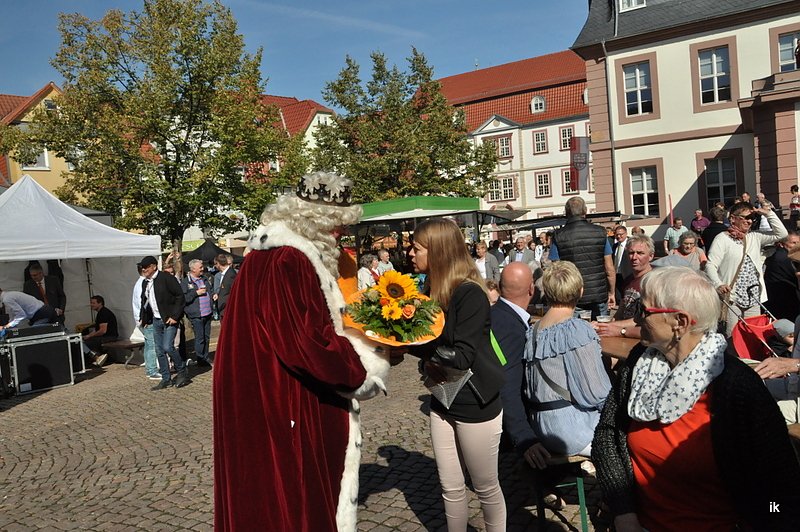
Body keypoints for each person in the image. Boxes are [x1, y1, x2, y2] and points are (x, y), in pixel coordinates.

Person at [213, 172, 391, 531]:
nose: (340, 234)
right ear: (315, 221)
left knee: (264, 492)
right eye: (337, 225)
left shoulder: (266, 256)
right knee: (292, 495)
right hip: (285, 398)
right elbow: (307, 344)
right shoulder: (289, 260)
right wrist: (363, 371)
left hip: (262, 391)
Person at [592, 267, 800, 530]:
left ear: (680, 322)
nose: (636, 319)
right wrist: (624, 511)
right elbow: (608, 433)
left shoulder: (736, 387)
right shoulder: (638, 363)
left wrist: (764, 516)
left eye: (643, 311)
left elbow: (783, 493)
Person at [409, 218, 506, 532]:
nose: (410, 253)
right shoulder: (430, 291)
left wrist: (410, 342)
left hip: (476, 402)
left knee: (485, 487)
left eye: (417, 248)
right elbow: (429, 343)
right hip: (443, 397)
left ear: (437, 252)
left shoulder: (470, 294)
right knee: (450, 487)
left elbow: (462, 357)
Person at [523, 260, 610, 469]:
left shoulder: (533, 330)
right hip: (570, 429)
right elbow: (595, 392)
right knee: (630, 440)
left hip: (538, 423)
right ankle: (614, 499)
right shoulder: (576, 330)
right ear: (580, 291)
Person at [706, 202, 788, 336]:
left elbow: (782, 234)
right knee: (732, 336)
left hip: (753, 297)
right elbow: (710, 265)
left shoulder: (754, 237)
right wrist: (718, 284)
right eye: (746, 217)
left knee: (753, 336)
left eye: (752, 218)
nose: (750, 221)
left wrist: (768, 214)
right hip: (732, 298)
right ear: (733, 218)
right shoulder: (722, 239)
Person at [494, 262, 537, 456]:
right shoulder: (511, 328)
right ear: (531, 289)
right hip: (500, 425)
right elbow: (508, 385)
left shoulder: (496, 314)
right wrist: (524, 437)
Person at [550, 196, 615, 319]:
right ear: (585, 211)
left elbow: (556, 269)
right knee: (601, 333)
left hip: (572, 295)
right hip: (598, 294)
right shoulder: (600, 232)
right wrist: (611, 292)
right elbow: (609, 268)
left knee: (575, 334)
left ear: (566, 213)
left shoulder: (558, 236)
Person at [138, 255, 189, 390]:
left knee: (168, 347)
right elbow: (145, 302)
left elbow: (180, 296)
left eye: (146, 268)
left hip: (169, 319)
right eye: (142, 268)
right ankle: (166, 378)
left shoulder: (166, 278)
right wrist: (145, 319)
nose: (144, 270)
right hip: (156, 320)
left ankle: (182, 372)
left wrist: (175, 316)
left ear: (154, 267)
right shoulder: (146, 282)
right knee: (159, 350)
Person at [594, 235, 654, 340]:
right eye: (631, 253)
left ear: (651, 256)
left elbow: (642, 320)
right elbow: (621, 311)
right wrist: (605, 326)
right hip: (622, 338)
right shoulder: (628, 280)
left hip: (641, 340)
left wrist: (613, 327)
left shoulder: (655, 282)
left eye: (640, 253)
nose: (634, 257)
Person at [181, 259, 214, 367]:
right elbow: (184, 298)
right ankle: (201, 359)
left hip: (207, 313)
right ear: (193, 269)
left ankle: (205, 356)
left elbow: (210, 290)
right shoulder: (186, 282)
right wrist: (196, 293)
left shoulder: (204, 278)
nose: (202, 269)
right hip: (196, 315)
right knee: (200, 338)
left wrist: (213, 295)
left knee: (206, 337)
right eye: (200, 267)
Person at [764, 231, 800, 321]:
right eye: (793, 243)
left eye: (798, 243)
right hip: (785, 303)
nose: (796, 246)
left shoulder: (777, 256)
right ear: (782, 244)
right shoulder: (786, 259)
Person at [132, 265, 160, 380]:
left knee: (149, 344)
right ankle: (152, 370)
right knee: (152, 344)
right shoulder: (143, 284)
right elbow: (143, 304)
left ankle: (150, 368)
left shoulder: (140, 283)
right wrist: (144, 319)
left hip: (142, 319)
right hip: (145, 319)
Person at [81, 295, 118, 367]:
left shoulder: (103, 313)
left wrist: (89, 336)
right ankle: (98, 358)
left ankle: (97, 358)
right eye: (91, 303)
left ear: (100, 303)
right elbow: (97, 329)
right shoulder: (101, 312)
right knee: (85, 341)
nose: (91, 305)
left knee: (85, 344)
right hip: (107, 336)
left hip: (109, 337)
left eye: (93, 303)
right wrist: (87, 336)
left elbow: (102, 331)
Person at [212, 253, 237, 321]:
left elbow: (234, 293)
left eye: (215, 264)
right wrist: (218, 294)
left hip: (228, 310)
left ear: (218, 264)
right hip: (224, 310)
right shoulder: (225, 274)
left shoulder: (230, 275)